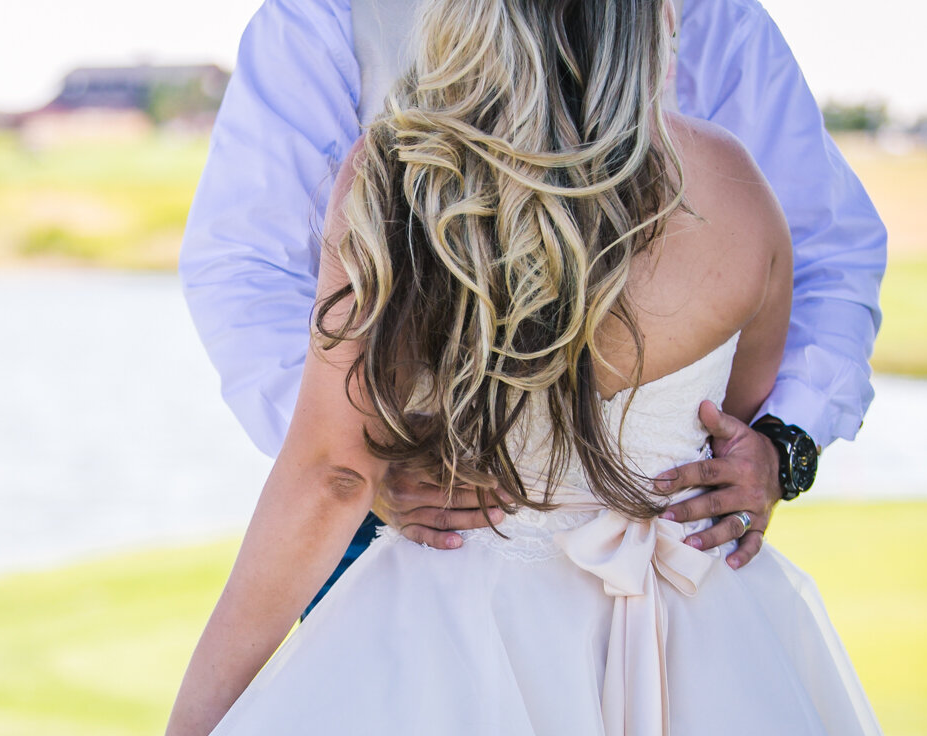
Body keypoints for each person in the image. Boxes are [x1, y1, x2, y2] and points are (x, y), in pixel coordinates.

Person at [0, 1, 927, 736]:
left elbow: (329, 469)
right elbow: (727, 403)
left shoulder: (394, 178)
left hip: (454, 596)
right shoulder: (733, 186)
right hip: (697, 623)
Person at [179, 0, 887, 610]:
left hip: (669, 567)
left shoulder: (720, 19)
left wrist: (785, 441)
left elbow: (827, 248)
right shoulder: (324, 14)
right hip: (409, 526)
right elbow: (246, 265)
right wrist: (364, 461)